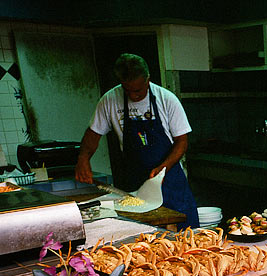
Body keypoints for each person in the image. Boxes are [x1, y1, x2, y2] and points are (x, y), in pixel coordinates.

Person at [75, 53, 199, 228]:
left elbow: (182, 142)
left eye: (138, 90)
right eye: (128, 90)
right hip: (135, 183)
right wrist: (83, 158)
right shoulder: (109, 100)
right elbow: (93, 134)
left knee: (185, 235)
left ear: (147, 80)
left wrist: (164, 167)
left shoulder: (166, 99)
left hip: (169, 179)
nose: (133, 95)